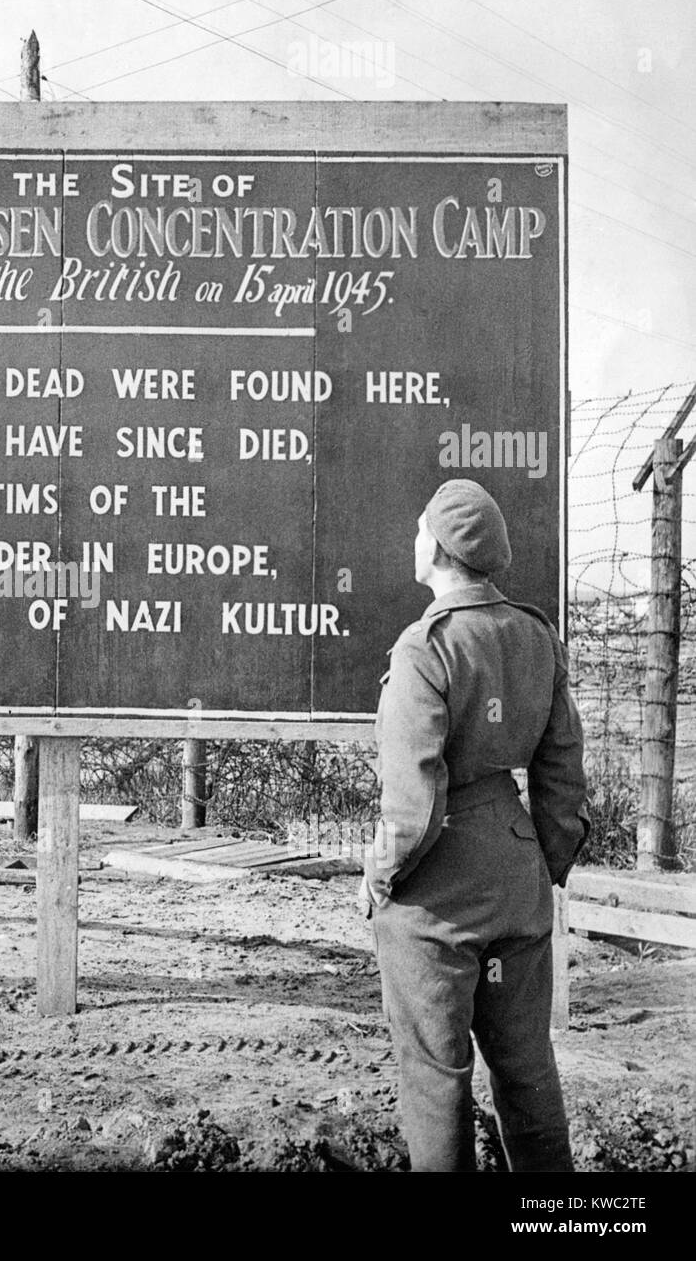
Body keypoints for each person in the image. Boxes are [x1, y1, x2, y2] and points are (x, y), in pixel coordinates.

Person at [361, 478, 590, 1172]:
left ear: (438, 546)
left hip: (438, 894)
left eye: (419, 528)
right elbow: (563, 781)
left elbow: (414, 806)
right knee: (527, 1070)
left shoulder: (424, 649)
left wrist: (378, 878)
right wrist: (540, 866)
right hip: (517, 876)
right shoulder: (535, 636)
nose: (413, 538)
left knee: (436, 1077)